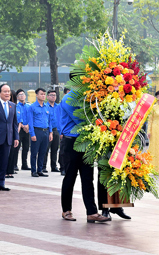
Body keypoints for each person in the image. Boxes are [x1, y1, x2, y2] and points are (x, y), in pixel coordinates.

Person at [57, 88, 109, 223]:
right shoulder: (69, 98)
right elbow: (80, 118)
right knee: (70, 176)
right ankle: (66, 210)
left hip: (86, 142)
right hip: (71, 142)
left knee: (88, 178)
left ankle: (91, 212)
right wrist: (99, 124)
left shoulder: (88, 97)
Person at [27, 88, 53, 178]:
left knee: (43, 152)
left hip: (45, 131)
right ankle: (33, 171)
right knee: (34, 152)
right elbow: (30, 121)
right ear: (37, 95)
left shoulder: (47, 107)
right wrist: (32, 134)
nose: (43, 96)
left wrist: (50, 132)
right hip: (37, 131)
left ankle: (40, 170)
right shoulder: (32, 107)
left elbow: (49, 121)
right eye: (41, 94)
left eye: (44, 94)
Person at [43, 90, 60, 173]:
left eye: (54, 95)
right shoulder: (45, 106)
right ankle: (43, 166)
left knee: (55, 149)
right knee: (45, 149)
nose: (53, 96)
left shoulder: (58, 106)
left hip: (57, 130)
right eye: (51, 95)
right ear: (47, 96)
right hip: (48, 130)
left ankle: (54, 166)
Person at [16, 89, 30, 171]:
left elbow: (30, 117)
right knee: (17, 147)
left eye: (23, 94)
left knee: (26, 147)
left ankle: (24, 164)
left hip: (27, 129)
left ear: (25, 96)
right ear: (17, 97)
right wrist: (23, 126)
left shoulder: (29, 106)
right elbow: (19, 117)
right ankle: (15, 164)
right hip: (20, 129)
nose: (22, 96)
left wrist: (28, 126)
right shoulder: (16, 106)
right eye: (20, 95)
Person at [57, 87, 70, 176]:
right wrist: (61, 131)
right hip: (64, 132)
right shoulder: (61, 105)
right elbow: (58, 119)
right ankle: (62, 168)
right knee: (63, 151)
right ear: (65, 94)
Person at [6, 90, 19, 178]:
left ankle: (10, 170)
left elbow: (16, 122)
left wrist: (16, 136)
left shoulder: (14, 106)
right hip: (4, 133)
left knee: (13, 153)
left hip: (13, 132)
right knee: (6, 153)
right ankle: (5, 171)